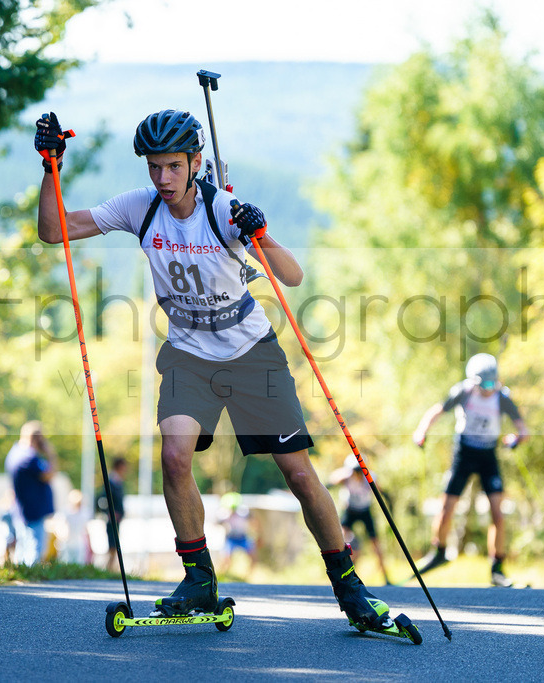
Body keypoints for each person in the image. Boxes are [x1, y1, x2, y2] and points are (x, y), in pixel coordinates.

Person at [35, 109, 400, 631]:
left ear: (196, 164)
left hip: (252, 354)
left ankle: (349, 586)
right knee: (175, 457)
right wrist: (52, 168)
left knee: (297, 473)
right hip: (188, 354)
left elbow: (292, 277)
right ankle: (199, 580)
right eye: (155, 167)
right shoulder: (140, 208)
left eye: (173, 168)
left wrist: (263, 234)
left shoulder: (223, 209)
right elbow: (55, 231)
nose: (163, 179)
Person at [412, 352, 528, 587]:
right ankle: (439, 552)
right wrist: (421, 430)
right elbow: (437, 411)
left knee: (497, 512)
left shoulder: (502, 398)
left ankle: (497, 567)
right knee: (446, 507)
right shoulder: (463, 392)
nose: (489, 388)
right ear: (474, 381)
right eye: (484, 384)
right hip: (464, 452)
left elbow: (523, 430)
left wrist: (514, 440)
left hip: (488, 455)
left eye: (493, 383)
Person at [329, 456, 391, 585]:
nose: (357, 474)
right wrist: (344, 474)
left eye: (359, 471)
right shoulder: (346, 476)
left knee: (375, 542)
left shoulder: (369, 477)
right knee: (342, 538)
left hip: (365, 510)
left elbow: (380, 491)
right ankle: (343, 572)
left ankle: (385, 576)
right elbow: (332, 480)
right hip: (349, 510)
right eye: (355, 471)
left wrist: (389, 502)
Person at [5, 421, 58, 565]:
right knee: (35, 551)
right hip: (33, 511)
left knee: (23, 549)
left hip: (23, 510)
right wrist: (50, 453)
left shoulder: (14, 453)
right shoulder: (29, 457)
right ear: (36, 439)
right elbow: (50, 474)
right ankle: (30, 584)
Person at [95, 457, 128, 572]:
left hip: (117, 518)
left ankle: (111, 568)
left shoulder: (118, 481)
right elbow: (101, 499)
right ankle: (108, 568)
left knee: (115, 543)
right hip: (112, 519)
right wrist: (108, 512)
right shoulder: (111, 481)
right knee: (112, 544)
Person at [217, 492, 256, 578]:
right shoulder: (224, 513)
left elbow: (253, 520)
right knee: (226, 559)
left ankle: (247, 576)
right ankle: (222, 575)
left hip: (242, 537)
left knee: (253, 556)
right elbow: (218, 522)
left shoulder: (243, 512)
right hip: (230, 538)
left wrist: (256, 533)